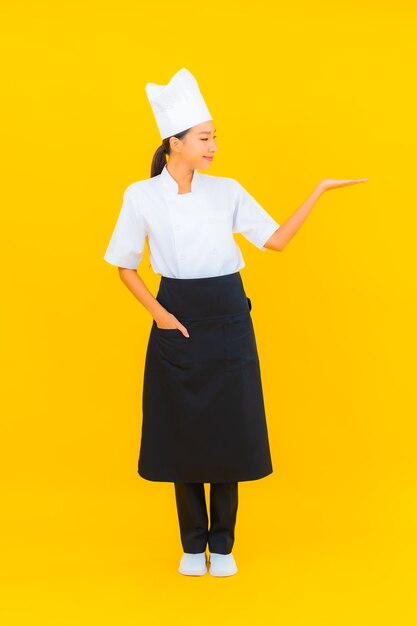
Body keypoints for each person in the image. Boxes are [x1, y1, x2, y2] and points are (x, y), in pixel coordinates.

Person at [103, 67, 368, 577]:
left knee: (228, 429)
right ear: (174, 143)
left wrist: (318, 190)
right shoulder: (141, 196)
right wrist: (160, 315)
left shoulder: (227, 191)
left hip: (228, 315)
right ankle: (191, 544)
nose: (213, 147)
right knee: (182, 433)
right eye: (204, 138)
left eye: (215, 137)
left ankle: (222, 547)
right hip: (176, 315)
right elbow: (124, 264)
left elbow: (275, 241)